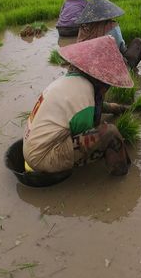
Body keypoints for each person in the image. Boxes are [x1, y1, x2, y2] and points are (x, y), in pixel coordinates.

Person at [23, 36, 134, 175]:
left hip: (31, 148)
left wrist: (118, 109)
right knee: (110, 133)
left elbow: (88, 106)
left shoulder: (68, 82)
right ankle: (122, 176)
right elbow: (86, 131)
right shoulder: (85, 93)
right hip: (44, 158)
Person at [75, 0, 141, 70]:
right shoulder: (111, 25)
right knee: (138, 43)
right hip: (107, 66)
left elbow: (79, 47)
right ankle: (129, 69)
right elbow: (121, 48)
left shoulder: (83, 27)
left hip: (85, 64)